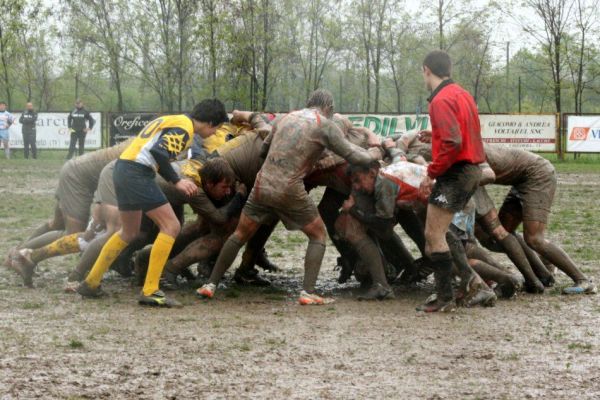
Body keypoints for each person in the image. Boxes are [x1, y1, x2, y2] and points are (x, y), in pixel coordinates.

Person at [196, 89, 378, 305]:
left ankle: (210, 284)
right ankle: (308, 292)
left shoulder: (287, 117)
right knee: (318, 235)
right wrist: (375, 151)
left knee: (239, 234)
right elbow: (353, 154)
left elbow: (264, 150)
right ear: (329, 109)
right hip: (289, 187)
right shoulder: (325, 124)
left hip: (262, 183)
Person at [77, 99, 228, 308]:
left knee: (128, 232)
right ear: (210, 122)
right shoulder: (185, 128)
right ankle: (150, 290)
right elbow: (158, 152)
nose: (214, 134)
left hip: (123, 169)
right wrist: (177, 181)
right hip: (137, 172)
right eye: (217, 129)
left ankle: (91, 282)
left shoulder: (173, 119)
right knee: (172, 226)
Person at [416, 50, 486, 312]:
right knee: (442, 232)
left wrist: (431, 172)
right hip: (471, 170)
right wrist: (434, 135)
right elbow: (459, 133)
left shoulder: (440, 100)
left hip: (456, 172)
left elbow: (453, 142)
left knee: (433, 236)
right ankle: (469, 282)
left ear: (426, 70)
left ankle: (445, 298)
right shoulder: (462, 94)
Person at [483, 143, 597, 295]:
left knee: (535, 239)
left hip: (538, 174)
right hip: (522, 179)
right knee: (502, 234)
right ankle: (543, 273)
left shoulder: (467, 149)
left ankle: (583, 280)